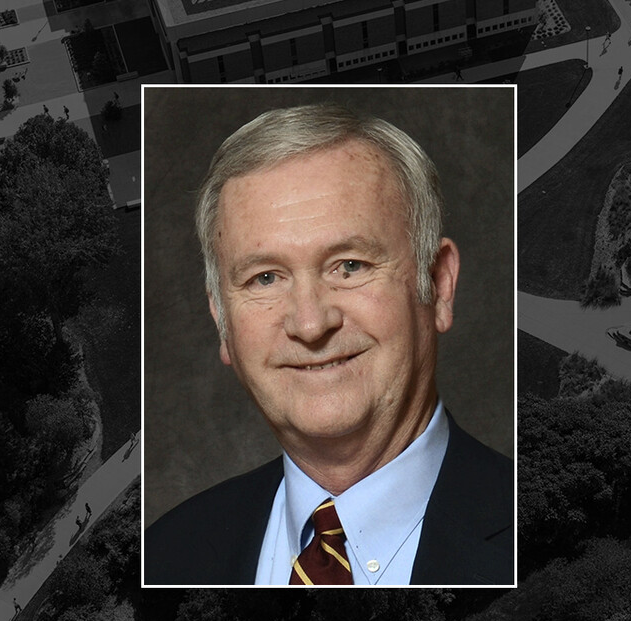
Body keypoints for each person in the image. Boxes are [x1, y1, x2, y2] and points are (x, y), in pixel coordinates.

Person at [144, 104, 512, 586]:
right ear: (222, 321)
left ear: (438, 284)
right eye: (265, 278)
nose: (311, 323)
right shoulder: (167, 556)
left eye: (350, 266)